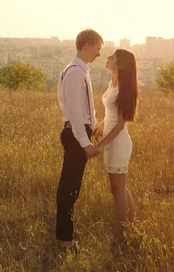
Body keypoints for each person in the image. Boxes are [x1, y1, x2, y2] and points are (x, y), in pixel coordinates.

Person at [56, 29, 103, 254]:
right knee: (70, 189)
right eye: (97, 48)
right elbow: (74, 112)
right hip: (76, 136)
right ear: (87, 46)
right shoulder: (75, 72)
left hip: (78, 133)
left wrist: (90, 127)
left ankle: (64, 236)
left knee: (70, 187)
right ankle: (66, 241)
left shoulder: (75, 70)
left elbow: (69, 106)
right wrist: (85, 142)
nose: (99, 54)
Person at [93, 49, 138, 242]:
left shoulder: (124, 89)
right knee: (119, 186)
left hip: (118, 143)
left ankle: (120, 234)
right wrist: (99, 127)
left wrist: (101, 145)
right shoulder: (112, 84)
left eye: (112, 57)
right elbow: (110, 116)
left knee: (118, 188)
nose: (108, 58)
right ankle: (131, 224)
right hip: (111, 139)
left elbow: (120, 124)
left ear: (119, 64)